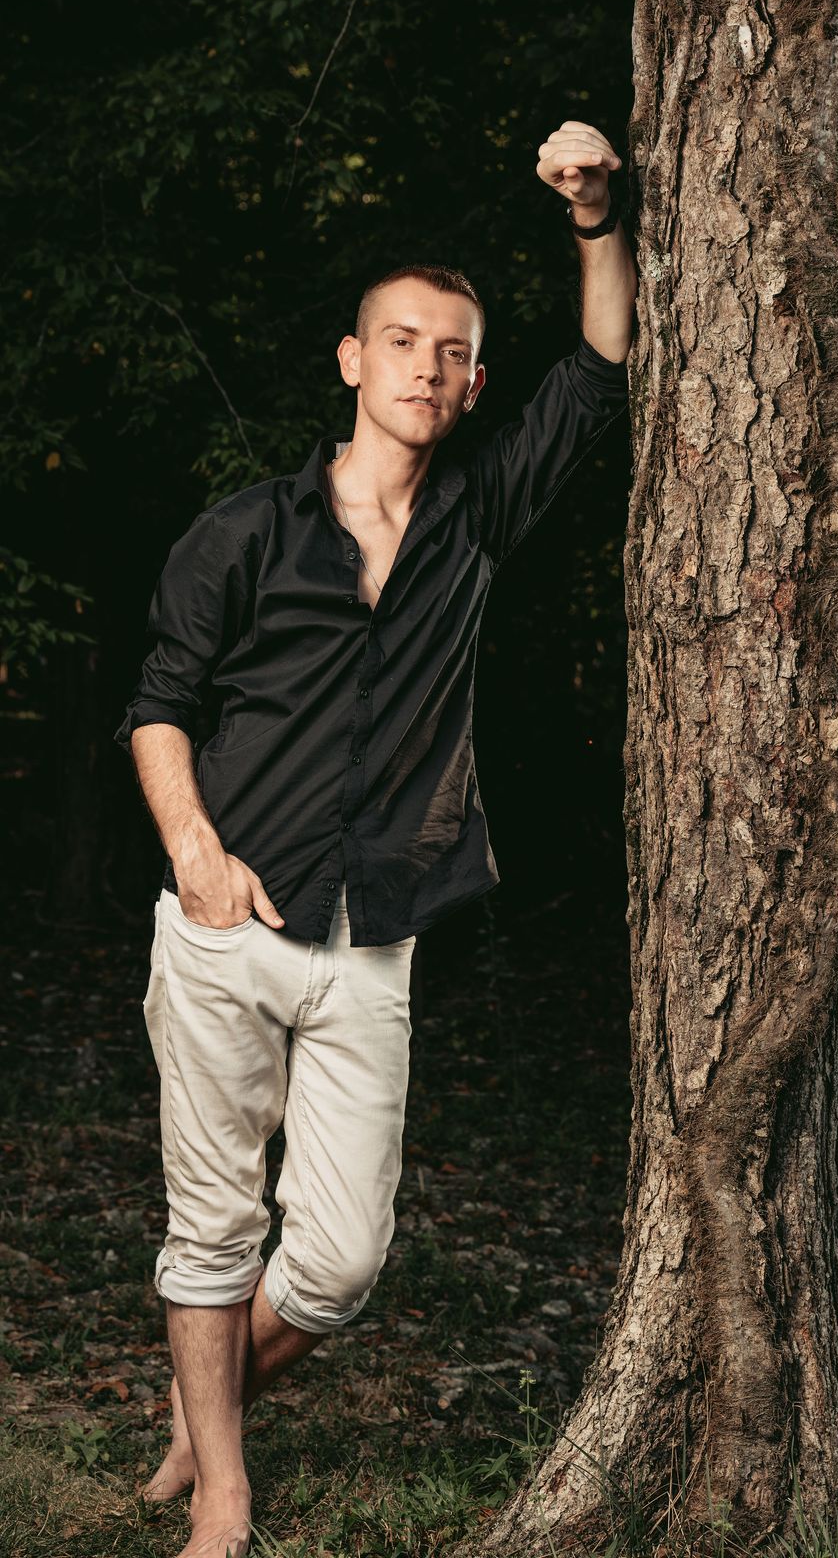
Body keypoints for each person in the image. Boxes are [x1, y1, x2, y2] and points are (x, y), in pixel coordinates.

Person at [114, 119, 636, 1558]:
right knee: (213, 1227)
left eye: (453, 353)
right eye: (400, 342)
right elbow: (158, 708)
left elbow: (601, 373)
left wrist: (597, 218)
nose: (426, 367)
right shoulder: (245, 534)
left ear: (472, 384)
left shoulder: (478, 522)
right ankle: (223, 1494)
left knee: (340, 1266)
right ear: (352, 361)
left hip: (375, 933)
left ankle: (202, 1409)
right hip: (228, 923)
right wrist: (196, 855)